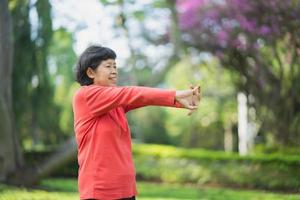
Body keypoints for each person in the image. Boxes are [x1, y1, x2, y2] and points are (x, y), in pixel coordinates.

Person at [72, 45, 201, 200]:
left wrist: (179, 101)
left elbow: (142, 98)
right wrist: (175, 94)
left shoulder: (115, 103)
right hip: (99, 191)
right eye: (108, 66)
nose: (114, 70)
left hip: (126, 189)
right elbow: (131, 93)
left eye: (115, 66)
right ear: (90, 72)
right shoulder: (85, 95)